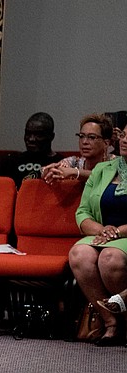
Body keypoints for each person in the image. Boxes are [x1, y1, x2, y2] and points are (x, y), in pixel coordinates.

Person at [68, 127, 127, 346]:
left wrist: (117, 231)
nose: (125, 140)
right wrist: (101, 229)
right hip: (102, 233)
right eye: (124, 135)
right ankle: (110, 322)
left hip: (123, 235)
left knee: (110, 259)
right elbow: (82, 212)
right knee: (79, 254)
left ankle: (126, 321)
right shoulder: (103, 169)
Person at [42, 113, 115, 184]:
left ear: (106, 143)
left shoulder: (115, 162)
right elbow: (55, 170)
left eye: (92, 137)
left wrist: (75, 172)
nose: (84, 142)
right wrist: (50, 171)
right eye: (81, 136)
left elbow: (104, 176)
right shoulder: (74, 162)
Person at [0, 112, 64, 188]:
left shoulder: (60, 163)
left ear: (51, 136)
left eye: (38, 135)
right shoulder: (10, 162)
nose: (31, 139)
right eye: (28, 134)